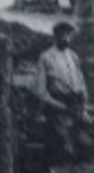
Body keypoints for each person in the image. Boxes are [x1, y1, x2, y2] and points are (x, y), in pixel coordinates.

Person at [32, 21, 90, 162]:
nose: (66, 39)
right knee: (65, 146)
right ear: (55, 36)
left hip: (75, 107)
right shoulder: (46, 57)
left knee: (86, 144)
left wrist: (84, 109)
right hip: (56, 108)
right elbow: (39, 91)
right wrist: (59, 106)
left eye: (69, 35)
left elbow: (81, 84)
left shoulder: (73, 56)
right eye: (62, 35)